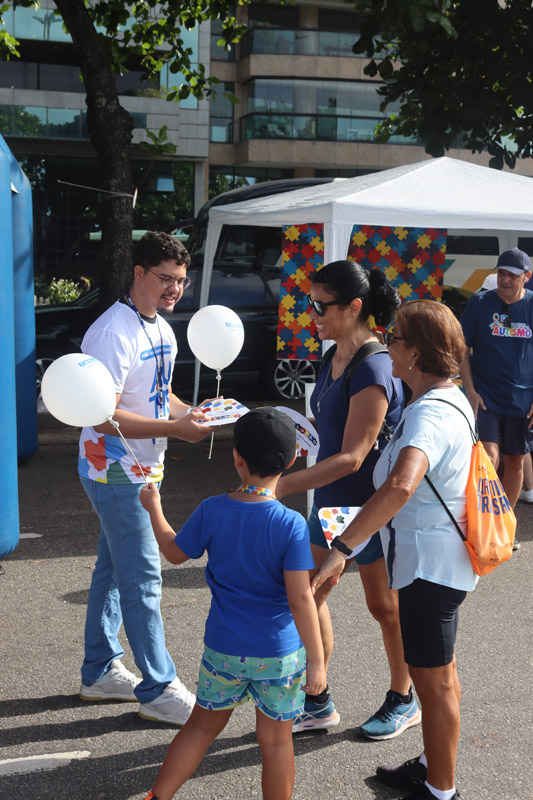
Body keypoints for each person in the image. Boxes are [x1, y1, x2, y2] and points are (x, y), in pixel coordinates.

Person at [312, 299, 478, 800]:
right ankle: (431, 766)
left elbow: (402, 484)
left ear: (418, 353)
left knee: (434, 682)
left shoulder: (429, 413)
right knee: (438, 675)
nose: (388, 346)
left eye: (396, 338)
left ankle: (440, 790)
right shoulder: (444, 399)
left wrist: (344, 546)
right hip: (435, 561)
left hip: (430, 567)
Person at [139, 407, 326, 800]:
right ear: (292, 460)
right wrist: (317, 660)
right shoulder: (290, 524)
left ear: (237, 457)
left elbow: (174, 553)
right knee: (276, 742)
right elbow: (300, 597)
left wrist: (154, 508)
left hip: (223, 649)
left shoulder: (212, 509)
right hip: (278, 655)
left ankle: (158, 797)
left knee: (201, 727)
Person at [276, 260, 419, 740]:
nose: (311, 313)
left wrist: (281, 485)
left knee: (385, 608)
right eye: (309, 302)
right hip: (332, 503)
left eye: (320, 305)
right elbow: (331, 428)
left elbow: (354, 456)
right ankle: (317, 701)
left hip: (369, 508)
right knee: (308, 594)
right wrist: (290, 434)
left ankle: (404, 698)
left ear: (354, 306)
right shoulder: (332, 355)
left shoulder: (374, 365)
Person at [78, 231, 209, 726]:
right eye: (165, 278)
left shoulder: (162, 328)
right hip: (113, 468)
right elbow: (101, 416)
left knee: (115, 570)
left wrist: (193, 414)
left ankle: (99, 671)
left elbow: (159, 395)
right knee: (143, 577)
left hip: (142, 465)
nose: (175, 288)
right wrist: (175, 428)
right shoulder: (112, 332)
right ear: (138, 273)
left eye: (181, 280)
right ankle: (158, 688)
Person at [460, 247, 533, 549]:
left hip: (523, 402)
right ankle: (480, 522)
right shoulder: (479, 303)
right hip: (486, 398)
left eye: (512, 275)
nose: (505, 280)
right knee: (488, 458)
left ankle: (502, 525)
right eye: (501, 273)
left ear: (527, 277)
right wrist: (470, 391)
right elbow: (462, 349)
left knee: (515, 462)